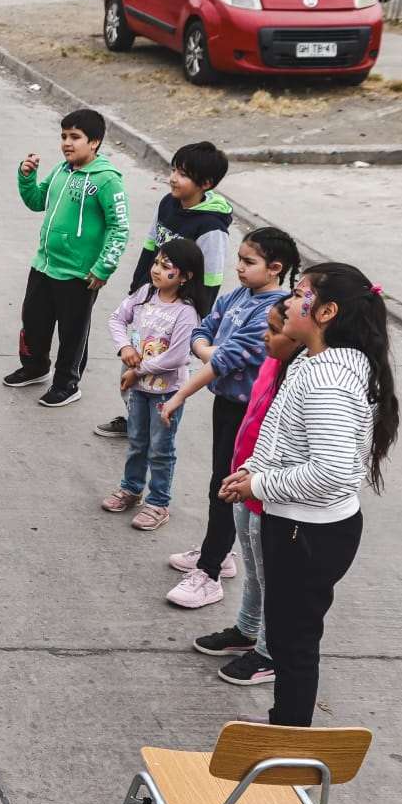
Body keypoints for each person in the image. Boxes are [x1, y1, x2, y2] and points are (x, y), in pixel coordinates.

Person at [221, 262, 399, 727]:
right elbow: (278, 430)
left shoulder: (327, 381)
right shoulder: (310, 360)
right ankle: (286, 728)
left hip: (309, 532)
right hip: (297, 522)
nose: (288, 301)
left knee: (293, 644)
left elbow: (332, 472)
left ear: (326, 312)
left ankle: (289, 735)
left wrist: (259, 485)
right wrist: (253, 469)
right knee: (286, 636)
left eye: (300, 293)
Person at [158, 227, 300, 608]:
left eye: (248, 261)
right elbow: (203, 330)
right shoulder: (239, 294)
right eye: (239, 258)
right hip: (226, 403)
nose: (238, 267)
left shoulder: (273, 312)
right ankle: (217, 552)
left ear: (275, 268)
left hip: (249, 413)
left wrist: (198, 370)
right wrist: (212, 351)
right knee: (218, 481)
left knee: (226, 486)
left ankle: (209, 573)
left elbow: (226, 356)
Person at [191, 303, 300, 688]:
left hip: (270, 490)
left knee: (271, 576)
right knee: (254, 568)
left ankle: (269, 653)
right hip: (249, 477)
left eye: (275, 330)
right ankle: (247, 629)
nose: (265, 337)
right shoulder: (275, 363)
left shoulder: (305, 374)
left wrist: (259, 481)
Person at [96, 141, 233, 439]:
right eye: (173, 170)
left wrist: (195, 318)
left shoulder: (211, 227)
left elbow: (211, 280)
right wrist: (138, 288)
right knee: (132, 361)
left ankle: (155, 427)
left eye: (183, 174)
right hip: (151, 300)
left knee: (160, 369)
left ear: (206, 183)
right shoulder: (168, 204)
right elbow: (150, 245)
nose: (173, 178)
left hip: (177, 312)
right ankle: (135, 419)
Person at [6, 108, 129, 408]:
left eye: (75, 137)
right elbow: (37, 201)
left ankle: (66, 383)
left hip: (79, 274)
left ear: (94, 142)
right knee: (33, 321)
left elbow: (119, 227)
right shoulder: (61, 171)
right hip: (44, 264)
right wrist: (27, 177)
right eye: (63, 136)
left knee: (72, 333)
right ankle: (35, 367)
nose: (67, 143)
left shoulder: (107, 180)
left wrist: (103, 267)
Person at [99, 238, 210, 531]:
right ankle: (131, 488)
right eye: (157, 263)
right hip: (139, 390)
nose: (157, 270)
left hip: (166, 393)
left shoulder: (186, 312)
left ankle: (158, 502)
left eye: (166, 266)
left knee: (161, 449)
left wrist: (138, 371)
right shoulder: (145, 294)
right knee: (137, 441)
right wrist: (124, 347)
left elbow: (177, 356)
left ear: (185, 276)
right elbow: (116, 319)